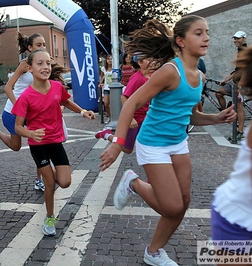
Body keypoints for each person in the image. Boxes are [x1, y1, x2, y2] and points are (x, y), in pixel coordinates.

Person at [99, 16, 236, 265]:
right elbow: (132, 102)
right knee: (171, 207)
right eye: (198, 33)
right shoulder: (170, 71)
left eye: (207, 32)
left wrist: (217, 118)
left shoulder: (200, 77)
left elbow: (191, 115)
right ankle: (135, 184)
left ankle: (153, 252)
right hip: (153, 144)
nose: (206, 37)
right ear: (181, 41)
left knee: (182, 204)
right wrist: (118, 143)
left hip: (178, 143)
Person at [211, 15, 252, 265]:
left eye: (237, 38)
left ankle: (237, 128)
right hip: (236, 218)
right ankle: (236, 129)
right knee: (235, 105)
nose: (236, 41)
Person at [12, 49, 95, 236]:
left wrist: (82, 111)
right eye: (40, 63)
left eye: (48, 63)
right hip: (38, 146)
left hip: (55, 141)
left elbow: (66, 102)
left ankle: (51, 175)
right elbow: (18, 127)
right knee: (49, 183)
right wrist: (31, 133)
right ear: (30, 68)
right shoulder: (26, 96)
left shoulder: (57, 87)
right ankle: (49, 217)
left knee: (64, 182)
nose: (45, 67)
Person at [0, 32, 47, 192]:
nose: (42, 47)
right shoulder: (24, 64)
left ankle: (39, 180)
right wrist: (19, 107)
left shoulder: (44, 64)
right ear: (29, 48)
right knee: (16, 146)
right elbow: (8, 87)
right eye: (38, 45)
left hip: (32, 113)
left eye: (44, 45)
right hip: (13, 112)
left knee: (39, 144)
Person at [95, 56, 152, 154]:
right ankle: (106, 135)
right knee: (127, 149)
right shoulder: (137, 78)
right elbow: (124, 97)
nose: (152, 62)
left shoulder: (151, 76)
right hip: (135, 118)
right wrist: (130, 118)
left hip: (145, 117)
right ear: (140, 62)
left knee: (149, 146)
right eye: (149, 59)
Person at [215, 31, 247, 140]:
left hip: (242, 82)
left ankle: (240, 131)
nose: (236, 41)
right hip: (235, 81)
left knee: (239, 106)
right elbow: (237, 70)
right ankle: (226, 113)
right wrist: (225, 80)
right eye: (235, 39)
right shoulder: (240, 51)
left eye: (238, 38)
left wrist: (240, 87)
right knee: (219, 93)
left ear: (244, 39)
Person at [98, 54, 113, 124]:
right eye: (108, 59)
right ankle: (109, 116)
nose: (110, 60)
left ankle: (114, 117)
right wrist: (101, 83)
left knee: (113, 104)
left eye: (111, 59)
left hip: (113, 87)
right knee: (106, 103)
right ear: (106, 60)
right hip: (107, 87)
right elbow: (101, 76)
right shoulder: (104, 68)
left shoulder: (115, 68)